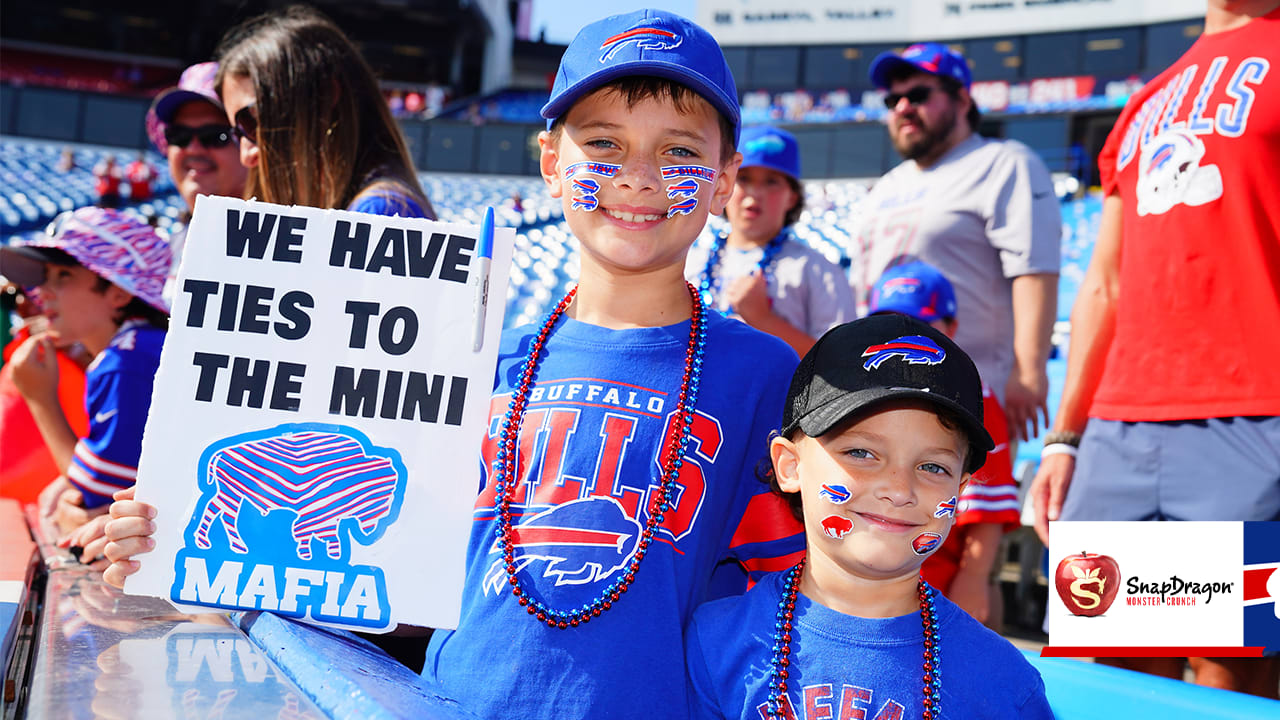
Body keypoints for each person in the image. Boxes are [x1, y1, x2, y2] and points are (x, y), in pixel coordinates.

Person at [102, 10, 804, 718]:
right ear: (552, 166)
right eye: (602, 143)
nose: (639, 176)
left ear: (724, 180)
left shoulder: (763, 376)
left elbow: (782, 615)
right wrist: (179, 539)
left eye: (681, 152)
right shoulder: (474, 358)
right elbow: (407, 595)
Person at [1031, 0, 1280, 697]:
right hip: (1119, 433)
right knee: (1107, 676)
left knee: (1226, 679)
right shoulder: (1144, 102)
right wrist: (1064, 438)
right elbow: (1105, 282)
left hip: (1255, 419)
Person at [686, 314, 1052, 719]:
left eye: (933, 467)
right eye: (860, 453)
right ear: (789, 466)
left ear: (961, 490)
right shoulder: (714, 642)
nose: (898, 489)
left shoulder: (1005, 684)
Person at [851, 43, 1060, 442]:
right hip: (885, 392)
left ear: (962, 98)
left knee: (975, 506)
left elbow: (1033, 270)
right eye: (893, 99)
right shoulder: (883, 188)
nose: (902, 107)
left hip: (977, 392)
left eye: (918, 95)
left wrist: (1029, 369)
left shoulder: (1002, 163)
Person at [0, 208, 170, 554]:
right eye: (44, 277)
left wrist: (40, 400)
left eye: (62, 276)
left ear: (119, 293)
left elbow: (92, 497)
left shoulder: (127, 361)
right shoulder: (143, 346)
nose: (40, 292)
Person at [866, 261, 1020, 629]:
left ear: (952, 328)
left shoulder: (976, 398)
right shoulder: (856, 395)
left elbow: (988, 508)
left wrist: (974, 579)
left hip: (936, 588)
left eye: (921, 324)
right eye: (888, 323)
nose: (903, 336)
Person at [213, 5, 435, 219]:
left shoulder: (379, 211)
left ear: (324, 96)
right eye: (236, 133)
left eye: (251, 121)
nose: (246, 157)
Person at [686, 125, 855, 356]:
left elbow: (840, 360)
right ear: (724, 186)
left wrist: (763, 318)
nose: (755, 193)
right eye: (744, 178)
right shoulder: (691, 261)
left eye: (771, 181)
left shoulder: (817, 270)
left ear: (792, 197)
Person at [145, 61, 250, 302]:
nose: (193, 148)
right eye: (178, 136)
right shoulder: (171, 249)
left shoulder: (286, 251)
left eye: (215, 136)